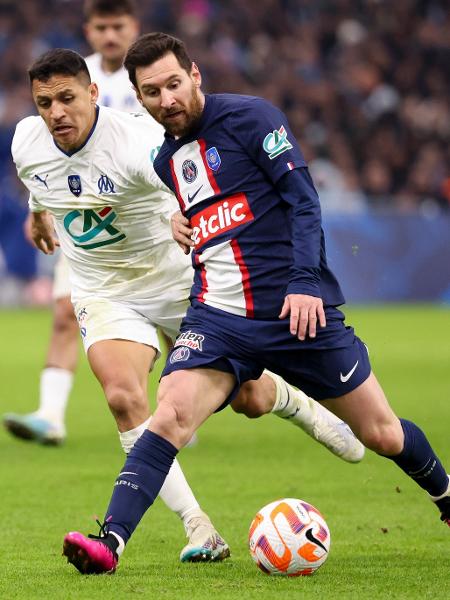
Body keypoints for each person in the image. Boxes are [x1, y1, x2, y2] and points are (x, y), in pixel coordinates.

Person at [59, 32, 449, 575]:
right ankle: (110, 544)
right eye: (152, 92)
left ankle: (446, 497)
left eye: (174, 83)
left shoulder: (253, 119)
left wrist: (305, 282)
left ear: (195, 76)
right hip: (218, 319)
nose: (166, 98)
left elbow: (302, 201)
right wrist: (178, 220)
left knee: (381, 432)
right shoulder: (167, 159)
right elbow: (204, 214)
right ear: (139, 98)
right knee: (168, 415)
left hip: (296, 313)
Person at [11, 48, 365, 570]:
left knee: (247, 396)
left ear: (92, 93)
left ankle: (296, 402)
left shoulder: (134, 142)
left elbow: (189, 181)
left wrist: (183, 217)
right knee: (122, 394)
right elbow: (40, 180)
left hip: (177, 279)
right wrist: (38, 215)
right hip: (105, 290)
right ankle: (197, 524)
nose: (56, 112)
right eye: (45, 102)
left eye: (67, 98)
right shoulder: (27, 139)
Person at [3, 0, 149, 446]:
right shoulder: (70, 77)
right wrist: (40, 207)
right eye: (100, 27)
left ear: (133, 27)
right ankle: (51, 414)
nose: (109, 36)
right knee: (66, 311)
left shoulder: (150, 77)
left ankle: (181, 405)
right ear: (88, 30)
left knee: (179, 326)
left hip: (147, 217)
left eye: (117, 26)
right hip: (86, 214)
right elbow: (43, 158)